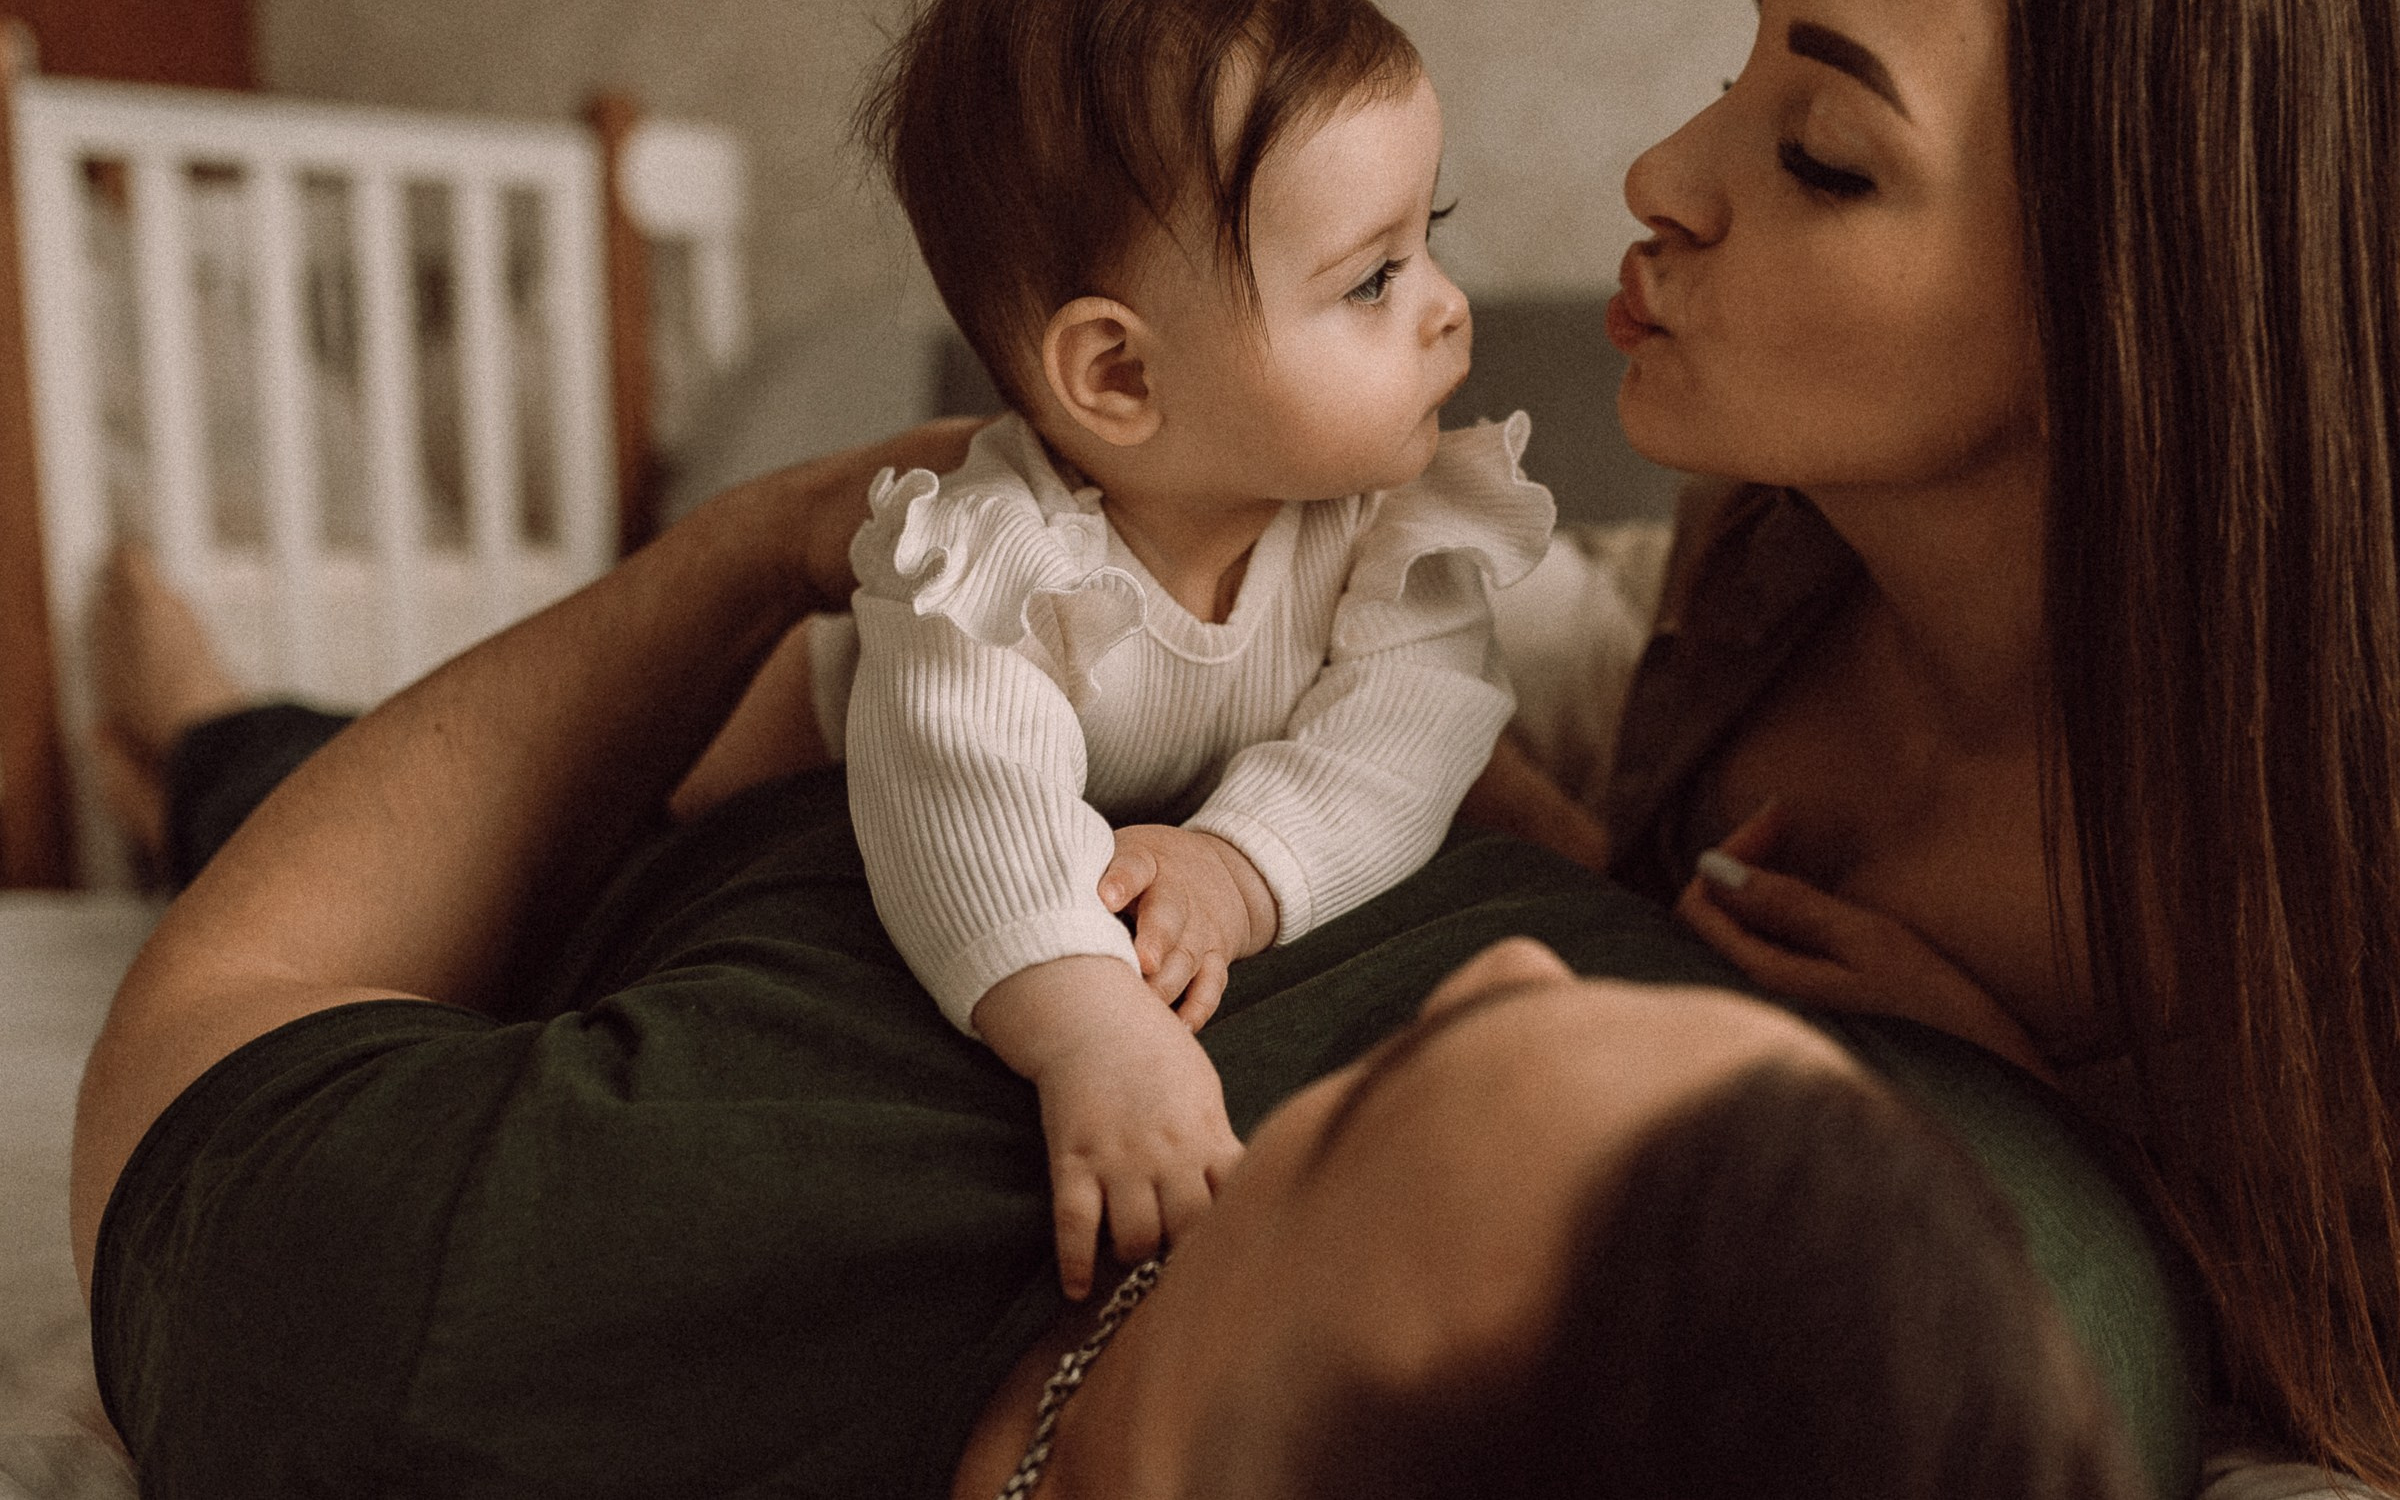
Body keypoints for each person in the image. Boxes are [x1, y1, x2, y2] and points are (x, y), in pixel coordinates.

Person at [72, 488, 2184, 1498]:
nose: (1519, 956)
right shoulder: (2022, 1333)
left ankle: (189, 728)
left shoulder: (455, 1336)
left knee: (294, 787)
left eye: (1361, 1108)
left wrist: (759, 550)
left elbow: (246, 997)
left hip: (715, 829)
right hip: (1136, 731)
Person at [1495, 0, 2396, 1482]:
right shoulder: (1771, 539)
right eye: (1738, 62)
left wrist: (2041, 1131)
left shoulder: (2334, 880)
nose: (1660, 176)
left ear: (2131, 299)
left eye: (1826, 155)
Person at [821, 0, 1549, 1300]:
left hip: (1189, 785)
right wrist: (1096, 1032)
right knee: (741, 763)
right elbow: (969, 810)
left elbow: (1404, 733)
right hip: (829, 713)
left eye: (1429, 234)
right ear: (1120, 378)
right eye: (1376, 277)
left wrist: (1241, 865)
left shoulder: (1388, 518)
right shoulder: (983, 567)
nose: (1450, 307)